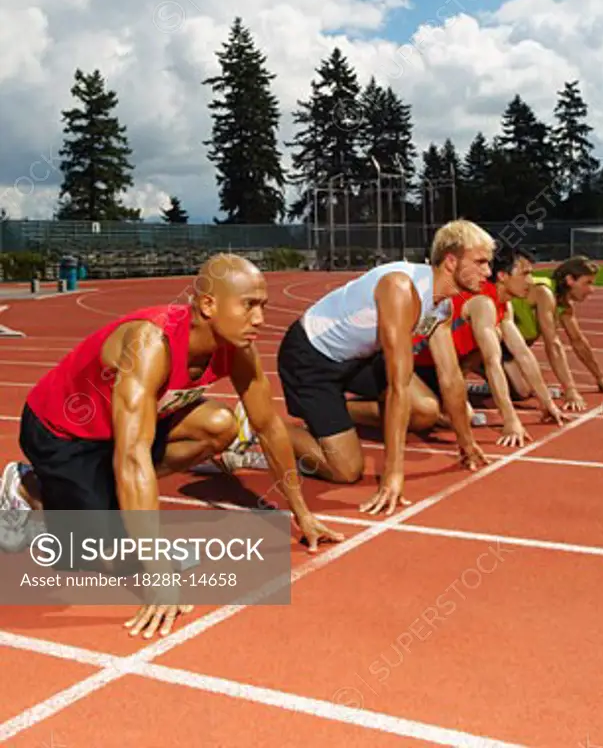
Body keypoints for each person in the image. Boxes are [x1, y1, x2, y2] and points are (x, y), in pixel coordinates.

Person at [0, 253, 343, 639]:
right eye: (249, 306)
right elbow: (132, 457)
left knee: (220, 425)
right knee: (92, 554)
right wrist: (158, 571)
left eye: (263, 306)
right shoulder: (150, 344)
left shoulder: (237, 348)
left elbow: (269, 427)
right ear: (208, 305)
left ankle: (104, 499)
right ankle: (31, 487)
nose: (260, 319)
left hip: (117, 434)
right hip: (60, 432)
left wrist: (302, 513)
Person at [274, 220, 495, 518]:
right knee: (347, 470)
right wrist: (392, 474)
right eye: (480, 262)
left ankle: (340, 413)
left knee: (426, 410)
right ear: (451, 261)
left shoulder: (442, 306)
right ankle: (260, 427)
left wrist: (466, 443)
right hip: (311, 357)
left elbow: (451, 376)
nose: (488, 272)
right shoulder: (400, 287)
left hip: (358, 357)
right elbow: (397, 385)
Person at [353, 245, 566, 449]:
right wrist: (510, 420)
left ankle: (435, 402)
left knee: (463, 415)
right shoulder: (483, 303)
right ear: (503, 276)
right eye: (525, 273)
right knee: (426, 415)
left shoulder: (504, 306)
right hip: (407, 362)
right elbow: (492, 362)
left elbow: (523, 354)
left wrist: (548, 403)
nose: (530, 280)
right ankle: (346, 410)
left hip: (436, 368)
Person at [509, 255, 603, 411]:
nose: (591, 290)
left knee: (525, 386)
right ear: (570, 280)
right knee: (522, 391)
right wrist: (570, 390)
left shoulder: (564, 305)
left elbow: (578, 341)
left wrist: (600, 377)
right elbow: (552, 344)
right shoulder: (544, 292)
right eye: (587, 283)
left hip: (512, 347)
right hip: (492, 341)